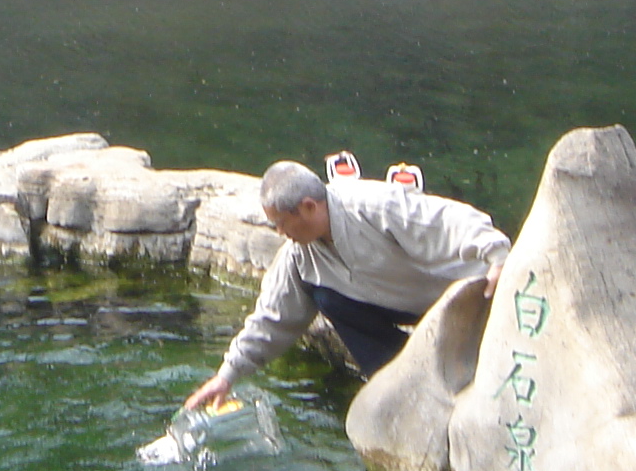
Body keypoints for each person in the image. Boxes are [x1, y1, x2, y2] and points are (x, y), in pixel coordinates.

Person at [183, 160, 511, 411]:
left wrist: (496, 254)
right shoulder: (298, 256)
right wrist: (227, 375)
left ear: (308, 207)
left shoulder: (374, 204)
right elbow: (271, 317)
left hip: (460, 296)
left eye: (282, 223)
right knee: (325, 295)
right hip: (392, 303)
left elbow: (450, 219)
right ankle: (400, 383)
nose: (280, 233)